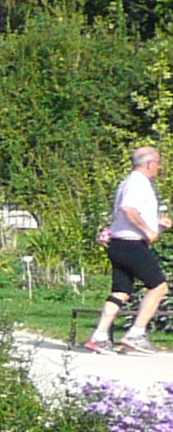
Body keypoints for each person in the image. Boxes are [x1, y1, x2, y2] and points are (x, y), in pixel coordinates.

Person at [86, 144, 165, 354]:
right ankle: (136, 333)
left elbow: (130, 211)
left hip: (119, 242)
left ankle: (99, 337)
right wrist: (148, 230)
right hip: (131, 244)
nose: (160, 167)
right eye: (158, 163)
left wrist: (157, 222)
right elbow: (128, 209)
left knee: (120, 291)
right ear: (149, 164)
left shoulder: (128, 182)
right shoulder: (138, 183)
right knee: (159, 287)